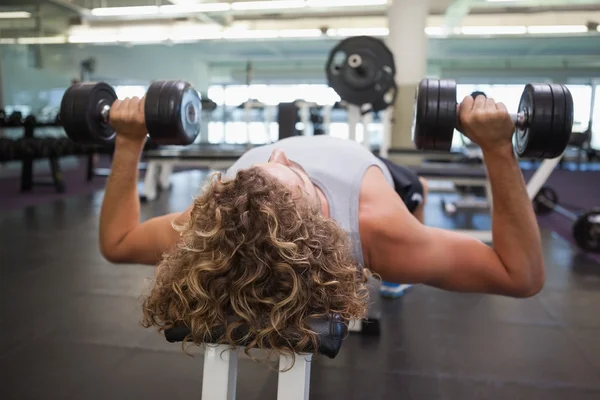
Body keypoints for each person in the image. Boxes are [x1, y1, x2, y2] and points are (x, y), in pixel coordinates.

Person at [99, 95, 544, 358]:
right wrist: (497, 147)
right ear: (321, 218)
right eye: (294, 173)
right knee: (417, 190)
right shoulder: (382, 233)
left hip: (352, 181)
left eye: (271, 168)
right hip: (376, 174)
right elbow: (520, 276)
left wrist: (128, 138)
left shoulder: (215, 218)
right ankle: (411, 225)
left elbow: (117, 243)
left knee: (415, 196)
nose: (277, 154)